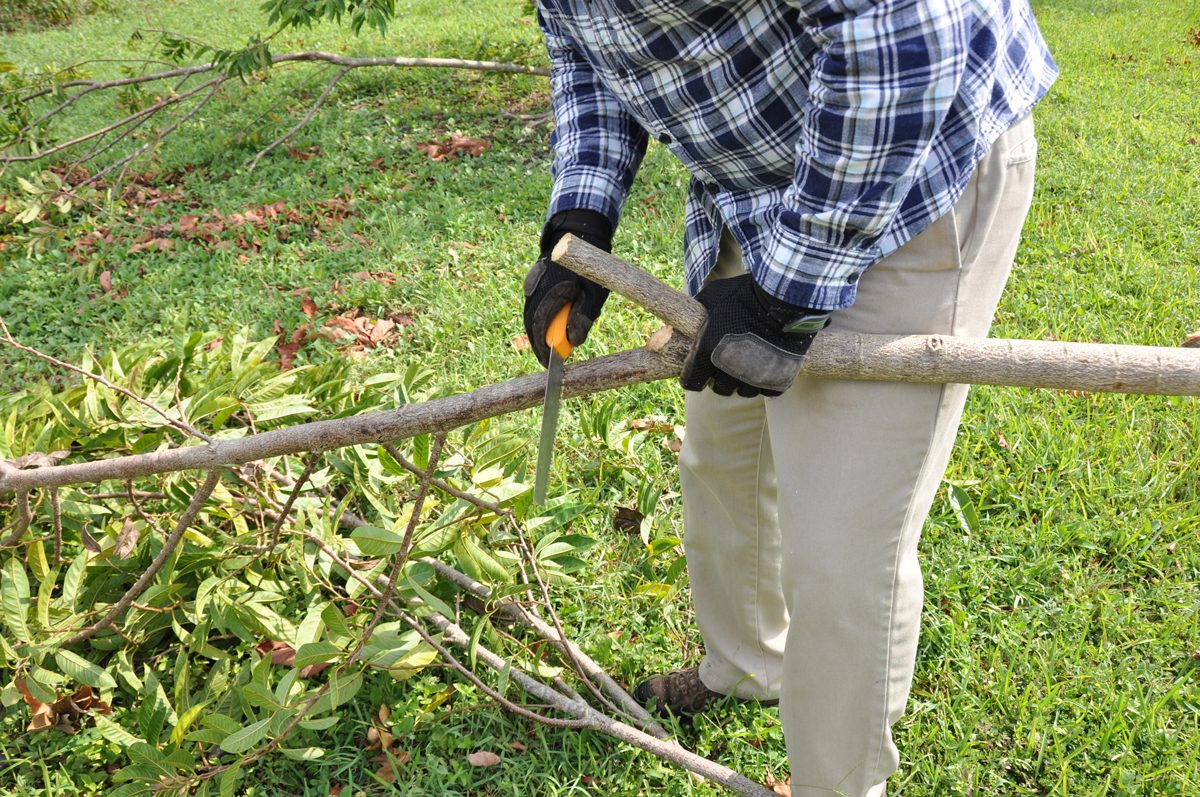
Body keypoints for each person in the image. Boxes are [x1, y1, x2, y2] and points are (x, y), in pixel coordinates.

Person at [521, 2, 1057, 794]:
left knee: (842, 550)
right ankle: (748, 665)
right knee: (723, 453)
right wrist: (583, 208)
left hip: (912, 160)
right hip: (757, 185)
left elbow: (905, 41)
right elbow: (585, 41)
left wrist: (785, 293)